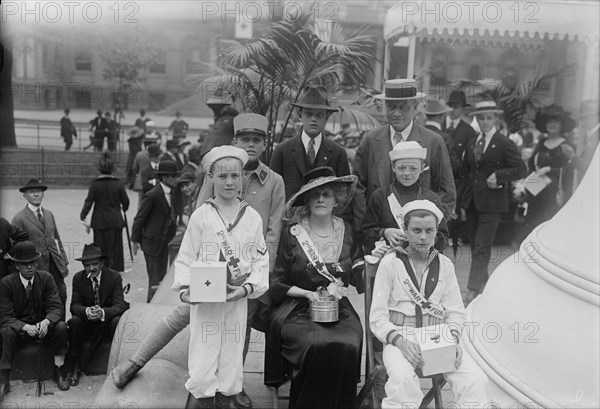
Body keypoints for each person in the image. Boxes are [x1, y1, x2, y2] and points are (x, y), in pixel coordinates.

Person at [111, 118, 285, 409]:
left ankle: (231, 389)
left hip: (244, 277)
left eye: (257, 139)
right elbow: (201, 217)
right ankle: (137, 361)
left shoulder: (274, 181)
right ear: (235, 143)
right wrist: (191, 281)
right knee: (184, 322)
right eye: (245, 139)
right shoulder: (215, 175)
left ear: (264, 143)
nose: (251, 144)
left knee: (237, 333)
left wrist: (252, 282)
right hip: (208, 278)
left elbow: (273, 232)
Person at [172, 146, 269, 408]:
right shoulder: (202, 216)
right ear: (211, 178)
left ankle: (228, 397)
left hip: (236, 297)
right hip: (206, 299)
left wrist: (247, 288)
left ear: (243, 179)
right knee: (203, 355)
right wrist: (184, 290)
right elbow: (186, 257)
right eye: (222, 176)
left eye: (234, 176)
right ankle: (200, 399)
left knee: (232, 354)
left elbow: (261, 259)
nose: (229, 182)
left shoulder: (251, 217)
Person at [369, 200, 490, 408]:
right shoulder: (390, 263)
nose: (423, 237)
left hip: (437, 336)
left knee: (475, 380)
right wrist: (400, 342)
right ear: (405, 231)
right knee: (402, 381)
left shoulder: (445, 265)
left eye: (429, 230)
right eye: (416, 230)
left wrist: (452, 340)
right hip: (401, 336)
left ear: (436, 232)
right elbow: (377, 318)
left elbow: (455, 313)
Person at [264, 166, 364, 409]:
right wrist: (308, 293)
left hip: (338, 308)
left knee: (350, 341)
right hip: (296, 308)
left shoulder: (346, 230)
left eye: (326, 194)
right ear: (307, 199)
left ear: (336, 199)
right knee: (315, 344)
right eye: (315, 194)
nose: (320, 199)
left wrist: (374, 264)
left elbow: (359, 274)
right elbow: (277, 282)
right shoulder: (293, 233)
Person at [354, 79, 456, 232]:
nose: (396, 113)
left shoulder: (433, 141)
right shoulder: (370, 140)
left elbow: (447, 192)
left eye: (403, 107)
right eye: (391, 107)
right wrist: (368, 230)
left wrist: (430, 229)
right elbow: (358, 188)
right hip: (379, 239)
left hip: (419, 240)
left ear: (415, 108)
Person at [460, 101, 527, 304]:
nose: (485, 121)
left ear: (495, 118)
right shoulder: (473, 142)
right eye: (481, 118)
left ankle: (472, 290)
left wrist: (499, 175)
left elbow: (521, 169)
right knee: (475, 247)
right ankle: (485, 286)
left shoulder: (504, 142)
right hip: (472, 203)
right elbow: (467, 173)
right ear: (477, 120)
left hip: (492, 205)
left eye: (489, 117)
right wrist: (462, 203)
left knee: (482, 247)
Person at [0, 241, 70, 398]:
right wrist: (24, 327)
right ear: (17, 265)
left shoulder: (47, 278)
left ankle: (59, 370)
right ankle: (4, 379)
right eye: (25, 264)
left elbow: (56, 307)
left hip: (43, 329)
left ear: (37, 262)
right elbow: (5, 316)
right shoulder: (6, 284)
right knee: (5, 331)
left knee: (60, 327)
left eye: (32, 262)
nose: (30, 267)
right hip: (21, 332)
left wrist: (46, 322)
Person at [360, 141, 448, 254]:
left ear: (422, 168)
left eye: (413, 168)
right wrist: (383, 232)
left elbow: (443, 237)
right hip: (387, 260)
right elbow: (364, 234)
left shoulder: (431, 199)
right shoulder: (380, 196)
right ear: (393, 167)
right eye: (401, 168)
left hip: (421, 261)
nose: (406, 173)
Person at [270, 85, 351, 200]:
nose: (313, 119)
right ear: (300, 114)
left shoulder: (338, 153)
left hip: (325, 216)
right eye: (309, 114)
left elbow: (344, 195)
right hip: (289, 217)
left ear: (326, 117)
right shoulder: (282, 151)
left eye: (319, 115)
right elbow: (272, 192)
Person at [66, 243, 128, 386]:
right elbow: (74, 306)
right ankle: (75, 364)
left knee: (117, 320)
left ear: (102, 263)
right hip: (87, 323)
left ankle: (117, 364)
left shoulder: (113, 277)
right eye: (87, 265)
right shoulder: (78, 278)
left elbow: (120, 305)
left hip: (106, 323)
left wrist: (103, 312)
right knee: (74, 321)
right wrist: (87, 311)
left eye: (95, 264)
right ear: (83, 266)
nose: (91, 268)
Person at [12, 179, 69, 309]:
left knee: (61, 296)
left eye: (39, 191)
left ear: (43, 194)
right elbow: (15, 247)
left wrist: (64, 261)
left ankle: (61, 328)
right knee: (40, 301)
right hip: (37, 266)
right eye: (32, 192)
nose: (36, 194)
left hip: (55, 265)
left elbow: (57, 239)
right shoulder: (19, 218)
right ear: (25, 196)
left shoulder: (49, 214)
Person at [131, 160, 181, 303]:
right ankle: (151, 307)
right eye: (174, 176)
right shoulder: (153, 195)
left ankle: (157, 305)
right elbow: (139, 218)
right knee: (154, 279)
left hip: (165, 242)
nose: (176, 179)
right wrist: (135, 240)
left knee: (162, 279)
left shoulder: (173, 193)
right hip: (152, 243)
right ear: (165, 178)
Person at [524, 104, 576, 233]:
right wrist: (532, 178)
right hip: (537, 189)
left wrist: (549, 170)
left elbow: (570, 170)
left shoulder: (566, 146)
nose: (552, 124)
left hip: (554, 193)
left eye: (556, 121)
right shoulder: (541, 144)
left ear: (562, 125)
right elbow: (531, 163)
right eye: (549, 121)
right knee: (532, 221)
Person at [80, 153, 130, 272]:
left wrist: (83, 215)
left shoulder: (95, 184)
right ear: (112, 170)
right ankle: (115, 269)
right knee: (116, 247)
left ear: (99, 169)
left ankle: (102, 269)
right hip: (115, 221)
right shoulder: (118, 184)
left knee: (100, 248)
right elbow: (126, 202)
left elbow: (89, 202)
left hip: (99, 221)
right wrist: (123, 209)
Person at [562, 100, 599, 186]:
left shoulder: (595, 136)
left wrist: (572, 156)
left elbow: (592, 169)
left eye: (587, 117)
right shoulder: (589, 135)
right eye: (582, 118)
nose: (584, 121)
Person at [126, 110, 151, 188]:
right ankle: (132, 182)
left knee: (131, 166)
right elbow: (137, 149)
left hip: (133, 154)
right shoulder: (137, 140)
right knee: (134, 167)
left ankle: (131, 182)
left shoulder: (131, 140)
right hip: (135, 154)